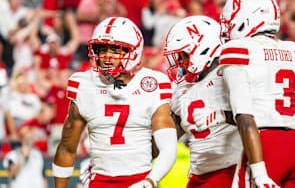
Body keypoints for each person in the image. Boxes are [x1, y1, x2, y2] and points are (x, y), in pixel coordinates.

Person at [52, 17, 177, 188]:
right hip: (100, 181)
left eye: (115, 50)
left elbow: (167, 148)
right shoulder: (84, 84)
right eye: (102, 50)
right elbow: (67, 147)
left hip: (140, 179)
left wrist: (149, 181)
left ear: (133, 52)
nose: (106, 57)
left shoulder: (153, 84)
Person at [215, 0, 295, 187]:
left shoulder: (239, 51)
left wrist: (260, 173)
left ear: (245, 20)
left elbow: (245, 118)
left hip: (265, 147)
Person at [164, 15, 278, 188]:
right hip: (199, 175)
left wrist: (222, 115)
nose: (179, 64)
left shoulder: (229, 75)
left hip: (232, 170)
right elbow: (168, 137)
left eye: (182, 56)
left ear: (201, 48)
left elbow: (260, 119)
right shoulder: (182, 90)